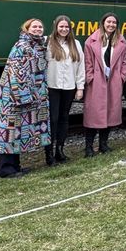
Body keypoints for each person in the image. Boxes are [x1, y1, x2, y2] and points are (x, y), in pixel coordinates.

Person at [0, 18, 51, 178]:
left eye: (40, 26)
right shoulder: (21, 46)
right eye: (34, 26)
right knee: (8, 130)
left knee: (17, 131)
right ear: (27, 28)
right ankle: (5, 169)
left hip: (25, 96)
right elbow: (15, 71)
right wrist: (24, 96)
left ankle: (15, 166)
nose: (38, 29)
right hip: (14, 96)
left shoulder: (35, 45)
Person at [83, 13, 126, 157]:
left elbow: (125, 62)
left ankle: (103, 144)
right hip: (96, 81)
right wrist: (90, 78)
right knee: (93, 115)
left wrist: (122, 77)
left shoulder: (121, 41)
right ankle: (89, 147)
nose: (111, 25)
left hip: (113, 81)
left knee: (109, 114)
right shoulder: (92, 40)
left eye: (114, 23)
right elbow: (88, 62)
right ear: (103, 23)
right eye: (109, 22)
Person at [45, 15, 85, 165]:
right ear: (56, 27)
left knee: (64, 119)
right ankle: (48, 153)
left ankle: (60, 150)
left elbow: (81, 67)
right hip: (52, 86)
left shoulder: (76, 44)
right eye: (61, 26)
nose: (64, 29)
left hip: (69, 86)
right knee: (53, 120)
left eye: (66, 27)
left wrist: (80, 87)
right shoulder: (47, 42)